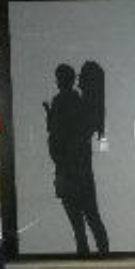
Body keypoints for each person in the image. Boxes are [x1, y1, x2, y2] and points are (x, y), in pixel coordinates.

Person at [44, 63, 109, 256]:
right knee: (92, 220)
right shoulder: (80, 103)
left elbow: (58, 135)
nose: (57, 82)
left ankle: (90, 258)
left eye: (59, 78)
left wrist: (51, 119)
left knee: (80, 227)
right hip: (78, 172)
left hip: (68, 172)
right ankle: (104, 256)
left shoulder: (63, 102)